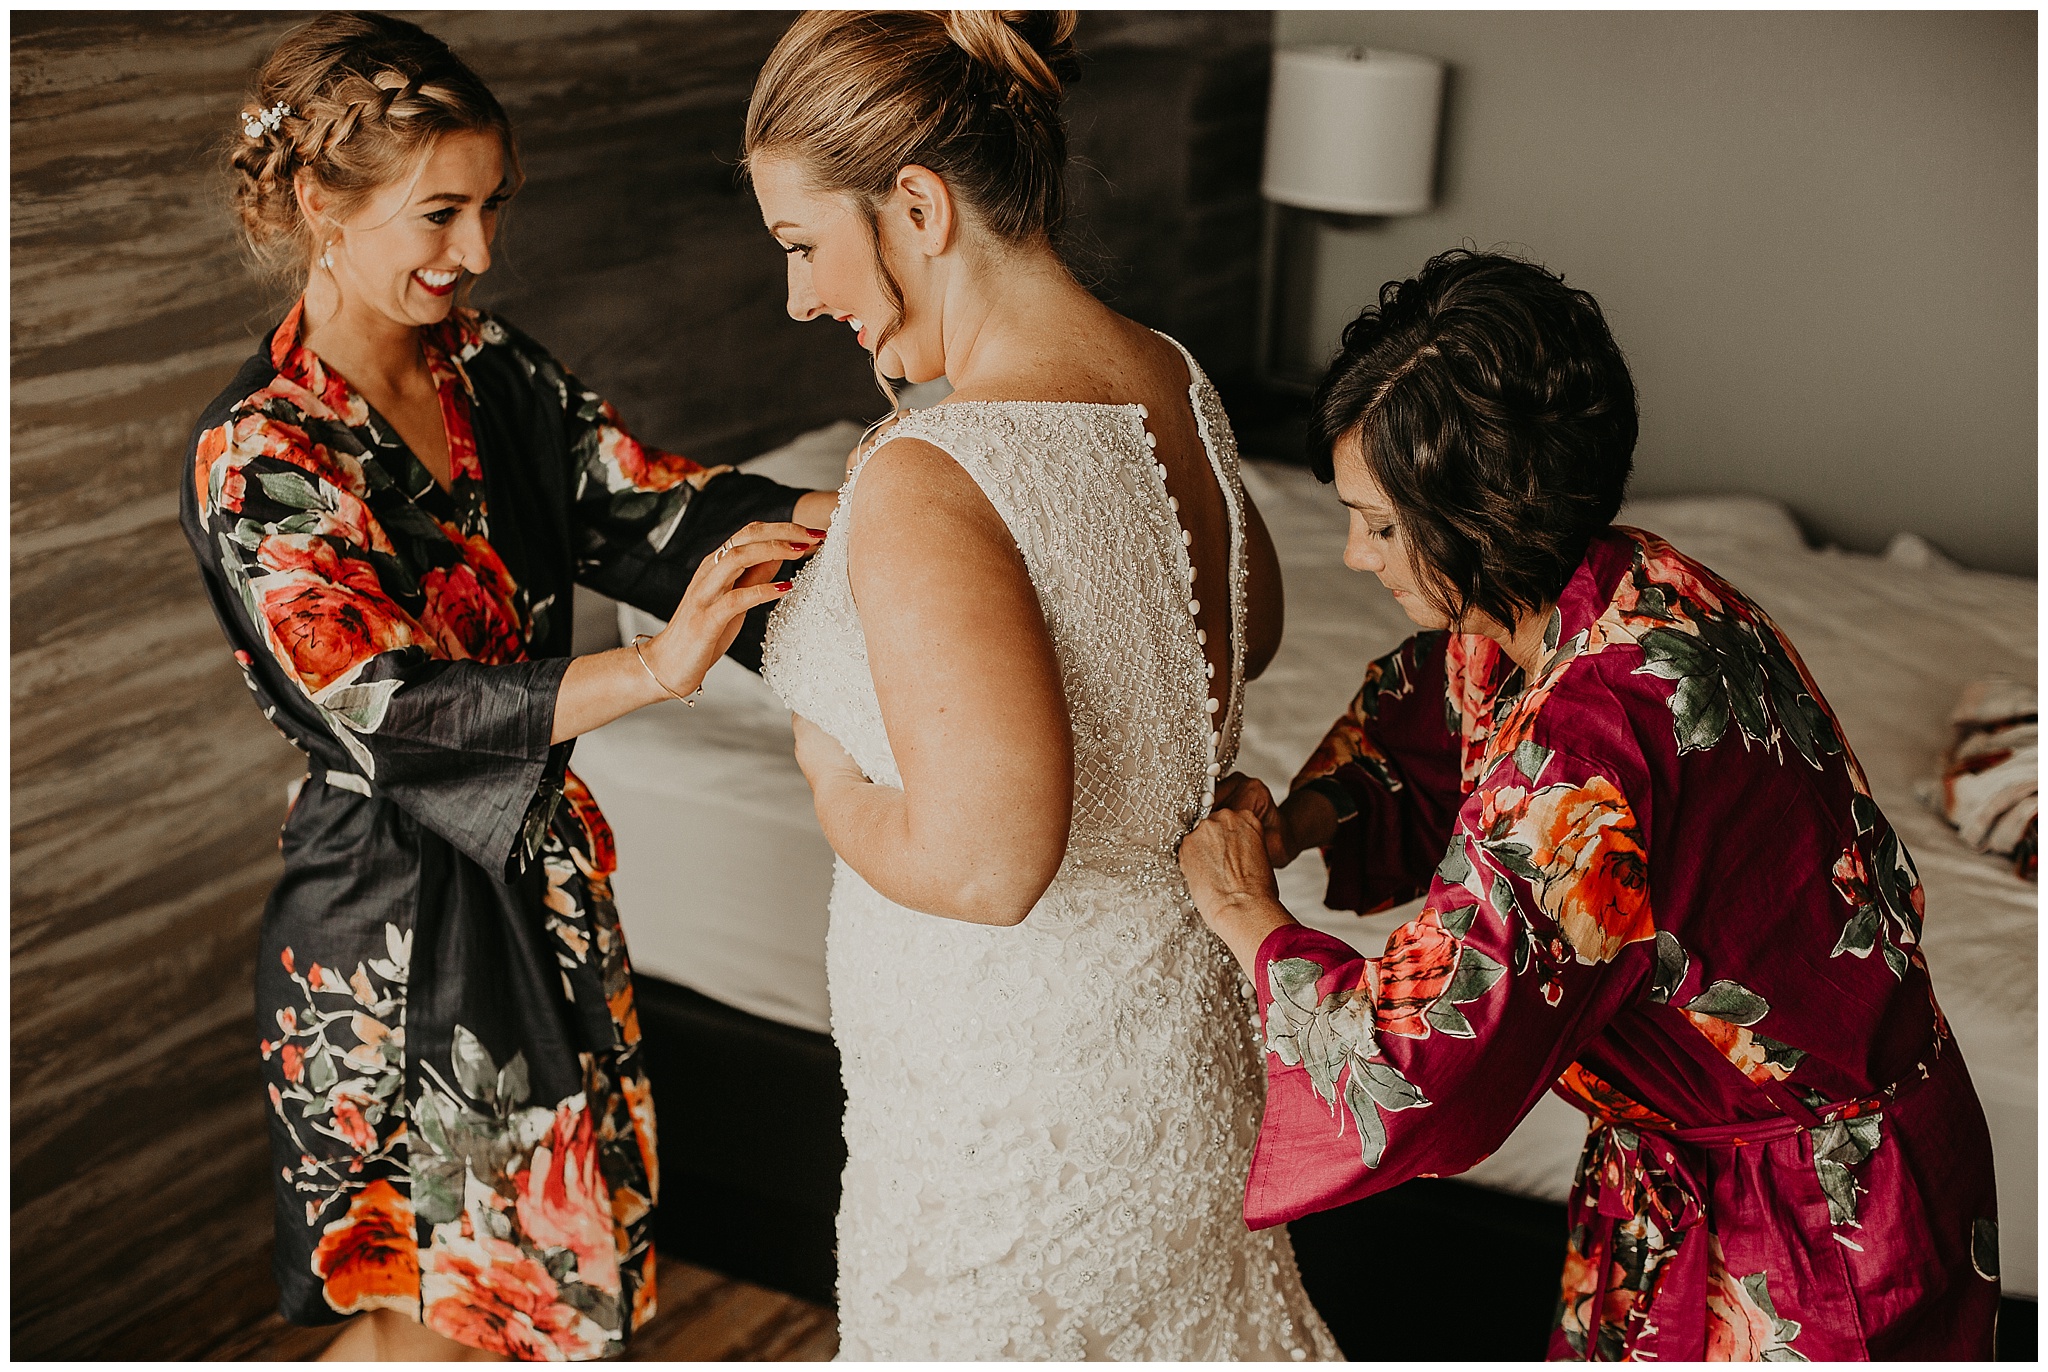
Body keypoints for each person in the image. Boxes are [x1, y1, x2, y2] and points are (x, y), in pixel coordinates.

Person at [1178, 249, 1999, 1360]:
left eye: (1380, 525)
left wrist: (1245, 910)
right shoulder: (1616, 583)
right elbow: (1435, 715)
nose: (1354, 556)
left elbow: (1416, 1063)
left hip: (1817, 1221)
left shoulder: (1584, 753)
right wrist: (1305, 817)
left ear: (1481, 520)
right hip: (1708, 1166)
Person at [181, 14, 835, 1361]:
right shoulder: (260, 456)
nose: (477, 251)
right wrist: (652, 667)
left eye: (490, 208)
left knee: (532, 1308)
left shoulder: (485, 365)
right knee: (433, 1327)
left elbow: (648, 507)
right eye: (441, 213)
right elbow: (390, 706)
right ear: (320, 204)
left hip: (543, 894)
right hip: (388, 932)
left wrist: (872, 508)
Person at [744, 10, 1338, 1360]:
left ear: (917, 207)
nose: (797, 297)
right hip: (1180, 1073)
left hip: (1012, 1121)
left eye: (801, 244)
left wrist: (827, 769)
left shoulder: (931, 468)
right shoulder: (1171, 376)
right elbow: (1245, 629)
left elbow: (985, 868)